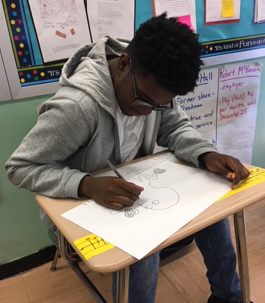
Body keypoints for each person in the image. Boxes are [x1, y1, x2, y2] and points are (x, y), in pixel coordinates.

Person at [5, 13, 251, 303]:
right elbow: (19, 167)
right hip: (78, 204)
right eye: (143, 100)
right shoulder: (77, 107)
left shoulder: (153, 81)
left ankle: (228, 298)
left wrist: (206, 154)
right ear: (123, 65)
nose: (148, 111)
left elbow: (174, 127)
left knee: (213, 210)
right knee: (143, 248)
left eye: (159, 106)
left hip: (130, 189)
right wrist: (86, 185)